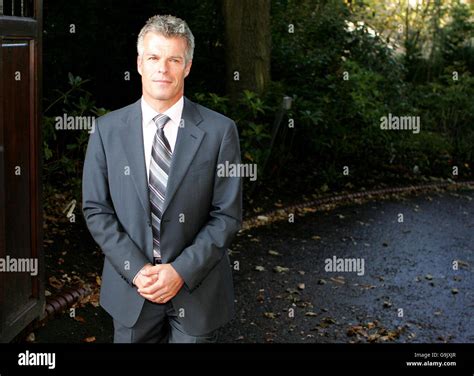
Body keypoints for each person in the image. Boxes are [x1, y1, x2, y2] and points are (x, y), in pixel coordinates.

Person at [82, 14, 242, 343]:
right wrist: (136, 270)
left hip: (197, 290)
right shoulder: (107, 130)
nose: (163, 69)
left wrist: (180, 271)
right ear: (140, 63)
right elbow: (96, 209)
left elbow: (226, 215)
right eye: (154, 57)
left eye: (174, 59)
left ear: (188, 66)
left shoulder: (220, 131)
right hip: (131, 290)